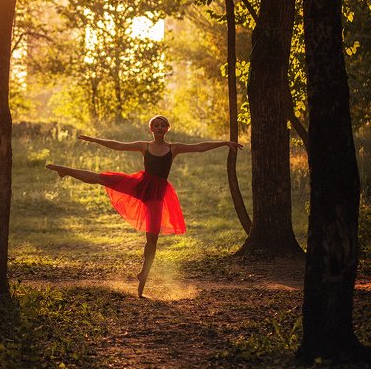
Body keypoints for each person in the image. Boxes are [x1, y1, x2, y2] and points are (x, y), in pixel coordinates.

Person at [47, 115, 243, 297]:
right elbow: (117, 145)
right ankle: (65, 170)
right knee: (103, 178)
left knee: (152, 238)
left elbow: (200, 147)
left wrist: (224, 143)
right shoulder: (144, 145)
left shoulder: (174, 148)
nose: (159, 127)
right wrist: (94, 140)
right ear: (151, 128)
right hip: (141, 184)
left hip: (157, 194)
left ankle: (143, 276)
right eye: (156, 125)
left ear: (167, 128)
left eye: (162, 125)